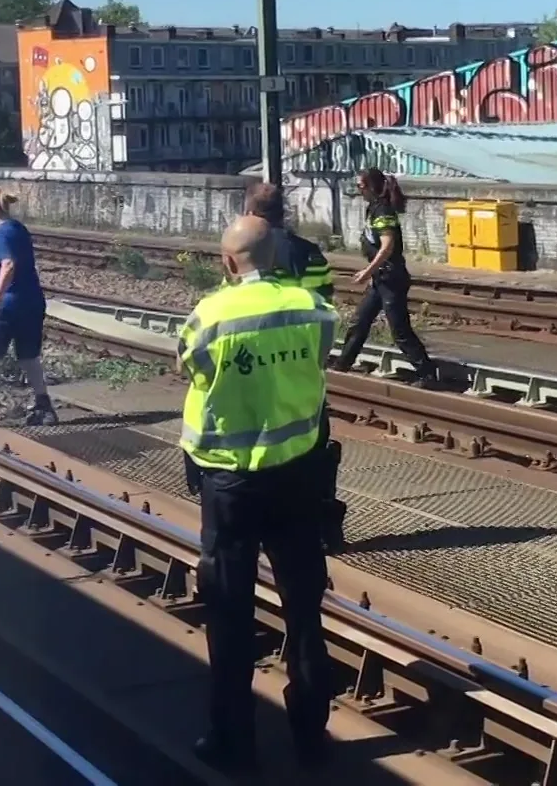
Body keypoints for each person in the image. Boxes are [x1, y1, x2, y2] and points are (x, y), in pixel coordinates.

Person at [177, 216, 336, 773]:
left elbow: (192, 369)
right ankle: (311, 735)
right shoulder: (312, 309)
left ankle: (232, 739)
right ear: (278, 255)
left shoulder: (209, 317)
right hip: (296, 476)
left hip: (231, 484)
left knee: (229, 611)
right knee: (304, 609)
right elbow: (318, 365)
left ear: (227, 262)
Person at [243, 181, 347, 555]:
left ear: (252, 214)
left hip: (258, 369)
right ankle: (324, 529)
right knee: (314, 447)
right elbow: (325, 309)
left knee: (264, 449)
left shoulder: (246, 256)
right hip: (304, 368)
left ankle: (269, 529)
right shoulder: (310, 254)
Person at [0, 188, 57, 427]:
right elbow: (16, 263)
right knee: (29, 356)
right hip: (32, 301)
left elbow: (9, 264)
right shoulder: (19, 228)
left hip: (9, 305)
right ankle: (45, 408)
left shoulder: (0, 233)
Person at [333, 168, 434, 381]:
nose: (358, 190)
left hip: (392, 279)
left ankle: (427, 374)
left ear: (370, 187)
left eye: (360, 186)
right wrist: (372, 275)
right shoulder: (374, 208)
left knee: (400, 331)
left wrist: (366, 272)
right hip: (381, 279)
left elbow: (387, 246)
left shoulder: (383, 212)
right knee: (359, 322)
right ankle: (342, 365)